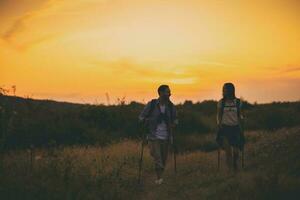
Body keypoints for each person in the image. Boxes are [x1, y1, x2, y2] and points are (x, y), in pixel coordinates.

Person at [138, 85, 178, 184]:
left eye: (169, 92)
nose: (169, 94)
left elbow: (176, 118)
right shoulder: (152, 104)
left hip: (167, 137)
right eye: (167, 92)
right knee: (158, 158)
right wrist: (147, 120)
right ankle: (159, 179)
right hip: (153, 136)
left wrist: (175, 123)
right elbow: (141, 117)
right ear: (160, 93)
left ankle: (160, 177)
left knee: (163, 159)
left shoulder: (171, 106)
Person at [216, 82, 245, 172]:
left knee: (236, 151)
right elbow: (219, 115)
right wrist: (219, 124)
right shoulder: (221, 102)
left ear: (230, 90)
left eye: (225, 89)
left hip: (235, 128)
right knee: (228, 151)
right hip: (225, 128)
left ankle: (234, 164)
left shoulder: (238, 102)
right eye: (223, 89)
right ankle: (230, 170)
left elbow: (240, 114)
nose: (223, 91)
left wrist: (242, 120)